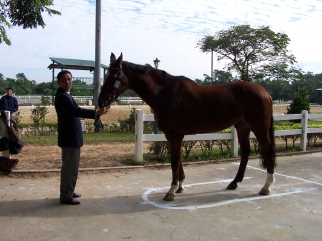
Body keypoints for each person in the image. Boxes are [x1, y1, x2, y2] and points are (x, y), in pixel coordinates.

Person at [55, 70, 109, 205]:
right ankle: (66, 196)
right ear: (58, 82)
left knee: (71, 166)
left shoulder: (65, 95)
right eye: (64, 80)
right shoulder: (62, 97)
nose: (67, 82)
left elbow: (75, 110)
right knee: (70, 167)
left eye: (69, 79)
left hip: (71, 136)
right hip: (69, 137)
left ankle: (69, 190)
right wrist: (96, 112)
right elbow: (76, 111)